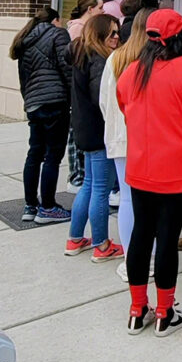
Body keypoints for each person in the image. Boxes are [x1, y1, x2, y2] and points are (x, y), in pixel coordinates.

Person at [116, 9, 182, 337]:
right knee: (167, 240)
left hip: (140, 168)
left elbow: (124, 107)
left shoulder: (133, 71)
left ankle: (136, 309)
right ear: (177, 37)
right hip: (178, 172)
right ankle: (165, 312)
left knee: (141, 236)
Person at [99, 7, 153, 282]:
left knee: (128, 200)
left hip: (120, 138)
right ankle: (149, 259)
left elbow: (105, 101)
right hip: (148, 140)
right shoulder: (153, 59)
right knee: (150, 202)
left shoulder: (116, 58)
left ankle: (132, 259)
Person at [64, 14, 123, 262]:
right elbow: (104, 100)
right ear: (99, 34)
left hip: (85, 130)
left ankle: (75, 238)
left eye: (118, 31)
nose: (117, 36)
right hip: (98, 132)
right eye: (112, 33)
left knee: (89, 185)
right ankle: (101, 244)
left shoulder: (81, 54)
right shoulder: (98, 59)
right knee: (100, 188)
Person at [9, 7, 72, 223]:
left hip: (34, 103)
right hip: (55, 101)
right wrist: (74, 99)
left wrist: (29, 102)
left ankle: (30, 206)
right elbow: (67, 68)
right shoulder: (59, 33)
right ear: (55, 20)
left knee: (34, 154)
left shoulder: (24, 38)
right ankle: (47, 207)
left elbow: (23, 77)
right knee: (53, 156)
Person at [65, 0, 104, 188]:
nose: (102, 11)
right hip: (81, 92)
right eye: (100, 8)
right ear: (90, 10)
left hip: (79, 90)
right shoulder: (79, 30)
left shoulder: (81, 28)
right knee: (76, 137)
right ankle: (76, 175)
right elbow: (77, 59)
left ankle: (78, 175)